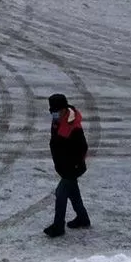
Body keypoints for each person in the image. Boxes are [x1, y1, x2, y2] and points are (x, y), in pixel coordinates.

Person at [44, 93, 90, 237]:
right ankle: (83, 218)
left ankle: (58, 226)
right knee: (73, 193)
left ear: (64, 109)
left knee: (61, 193)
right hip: (63, 167)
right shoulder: (57, 120)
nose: (54, 114)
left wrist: (74, 165)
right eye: (52, 111)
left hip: (72, 167)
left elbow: (83, 147)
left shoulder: (74, 127)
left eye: (57, 111)